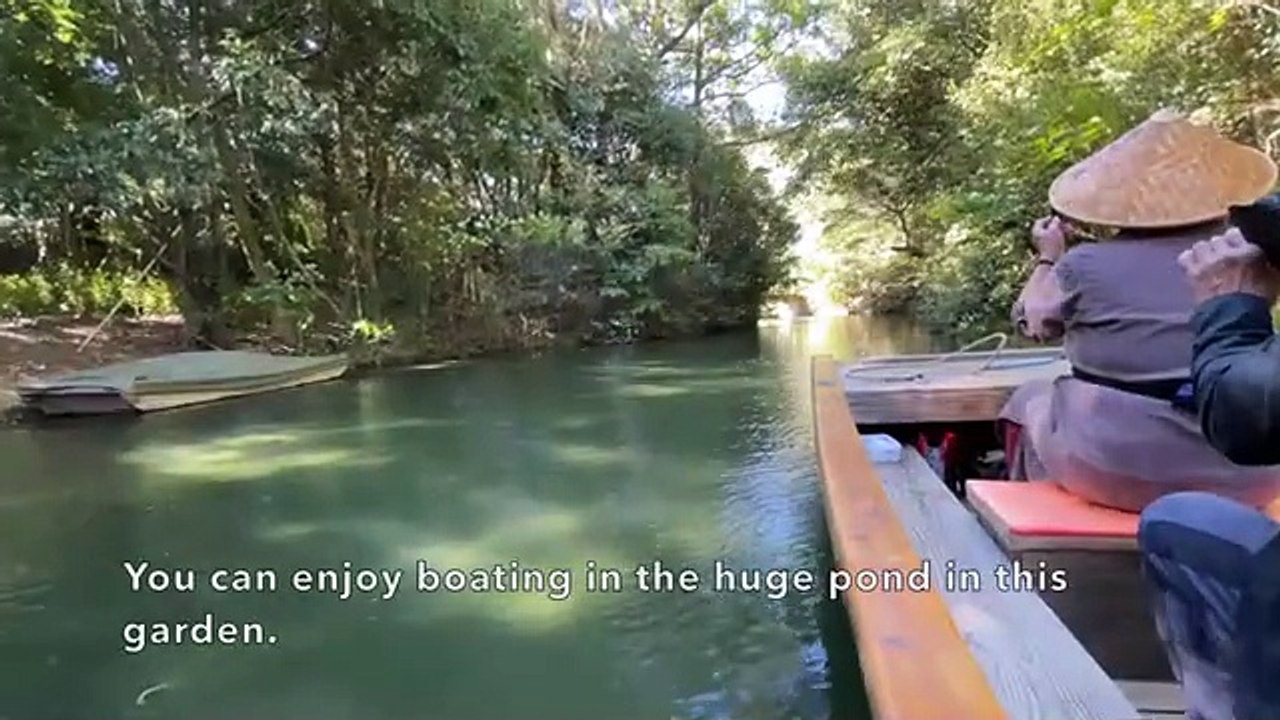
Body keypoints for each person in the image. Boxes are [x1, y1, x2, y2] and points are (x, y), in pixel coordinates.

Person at [998, 109, 1280, 512]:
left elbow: (1037, 322)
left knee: (1032, 397)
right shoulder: (1249, 254)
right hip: (1251, 478)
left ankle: (1034, 533)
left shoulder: (1084, 265)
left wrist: (1049, 257)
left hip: (1119, 473)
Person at [1136, 221, 1280, 720]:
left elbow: (1242, 418)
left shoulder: (1080, 264)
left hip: (1135, 456)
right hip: (1254, 482)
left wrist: (1231, 311)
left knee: (1037, 404)